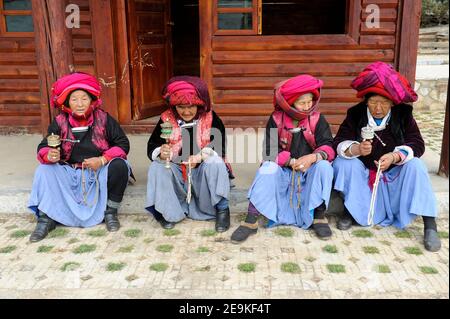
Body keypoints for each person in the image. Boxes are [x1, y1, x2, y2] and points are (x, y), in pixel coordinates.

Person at [332, 61, 441, 252]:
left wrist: (396, 156)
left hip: (393, 174)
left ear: (392, 102)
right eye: (373, 102)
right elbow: (339, 142)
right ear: (366, 101)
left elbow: (417, 143)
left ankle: (430, 225)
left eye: (384, 103)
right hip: (364, 173)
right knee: (342, 163)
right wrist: (355, 149)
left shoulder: (403, 115)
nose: (378, 108)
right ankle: (349, 211)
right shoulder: (355, 114)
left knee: (416, 165)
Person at [230, 74, 336, 243]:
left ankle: (319, 216)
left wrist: (312, 158)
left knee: (325, 167)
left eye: (310, 101)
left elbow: (329, 146)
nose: (307, 106)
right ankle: (250, 221)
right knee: (267, 169)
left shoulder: (317, 119)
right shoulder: (276, 119)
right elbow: (269, 151)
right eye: (302, 102)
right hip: (284, 170)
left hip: (310, 171)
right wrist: (291, 161)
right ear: (290, 102)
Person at [28, 72, 131, 242]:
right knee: (44, 170)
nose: (80, 104)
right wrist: (50, 155)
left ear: (92, 100)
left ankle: (110, 211)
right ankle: (46, 218)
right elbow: (44, 146)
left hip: (99, 170)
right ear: (67, 102)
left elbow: (123, 144)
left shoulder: (104, 119)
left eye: (84, 98)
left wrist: (102, 160)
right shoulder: (60, 122)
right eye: (74, 99)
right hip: (70, 171)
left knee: (120, 165)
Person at [146, 76, 232, 232]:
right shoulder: (166, 119)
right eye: (180, 107)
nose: (186, 111)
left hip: (201, 170)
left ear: (199, 104)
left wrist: (200, 157)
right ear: (174, 106)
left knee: (216, 162)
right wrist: (161, 152)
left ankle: (222, 210)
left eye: (191, 106)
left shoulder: (211, 118)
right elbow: (152, 145)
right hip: (177, 170)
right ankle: (167, 213)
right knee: (157, 167)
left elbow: (219, 146)